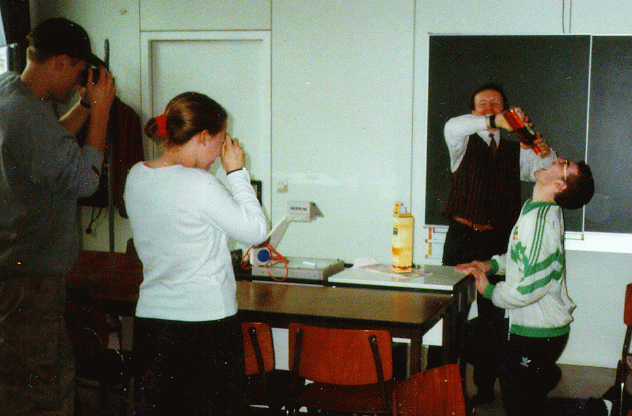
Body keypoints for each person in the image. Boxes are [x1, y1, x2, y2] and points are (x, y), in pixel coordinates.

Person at [124, 92, 268, 415]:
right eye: (221, 141)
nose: (221, 153)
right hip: (206, 325)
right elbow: (257, 230)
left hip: (152, 325)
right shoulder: (200, 185)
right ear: (203, 137)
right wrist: (236, 173)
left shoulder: (136, 176)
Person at [0, 18, 116, 415]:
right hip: (30, 279)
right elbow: (84, 180)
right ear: (62, 61)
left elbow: (50, 144)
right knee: (45, 385)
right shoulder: (30, 116)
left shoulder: (10, 92)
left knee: (23, 378)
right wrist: (100, 114)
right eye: (78, 71)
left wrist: (84, 106)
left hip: (13, 268)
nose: (76, 83)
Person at [441, 83, 558, 408]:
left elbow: (541, 171)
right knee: (450, 314)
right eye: (483, 103)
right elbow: (453, 126)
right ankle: (446, 389)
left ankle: (484, 388)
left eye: (497, 103)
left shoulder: (514, 148)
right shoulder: (461, 140)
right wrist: (496, 121)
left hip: (497, 241)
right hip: (462, 236)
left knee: (493, 317)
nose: (490, 108)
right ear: (473, 110)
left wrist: (545, 152)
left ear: (507, 110)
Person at [456, 157, 595, 416]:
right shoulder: (536, 209)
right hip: (531, 329)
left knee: (519, 407)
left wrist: (488, 289)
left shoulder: (538, 222)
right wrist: (490, 265)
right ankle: (546, 379)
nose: (556, 159)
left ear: (559, 185)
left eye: (563, 164)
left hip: (536, 334)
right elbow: (521, 258)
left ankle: (596, 408)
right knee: (473, 339)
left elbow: (526, 290)